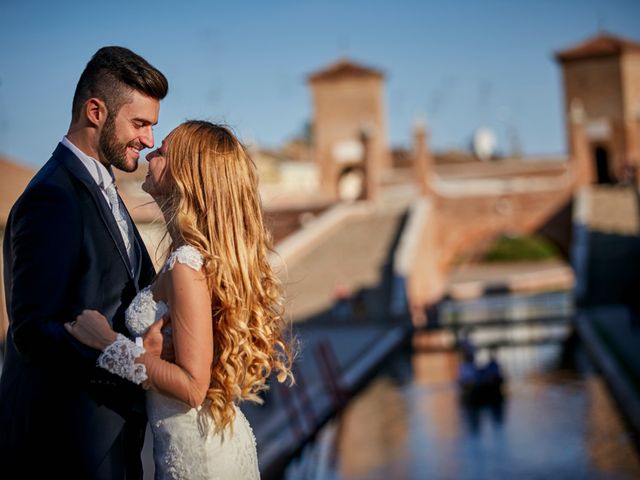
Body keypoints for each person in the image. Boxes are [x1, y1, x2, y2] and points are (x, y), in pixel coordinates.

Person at [65, 120, 295, 479]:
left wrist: (108, 344)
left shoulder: (186, 263)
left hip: (199, 457)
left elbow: (192, 386)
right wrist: (145, 349)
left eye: (163, 151)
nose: (150, 150)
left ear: (186, 174)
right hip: (200, 443)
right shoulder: (188, 258)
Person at [0, 46, 168, 478]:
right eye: (140, 123)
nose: (148, 139)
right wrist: (124, 356)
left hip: (112, 444)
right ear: (96, 111)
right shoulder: (51, 197)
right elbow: (33, 332)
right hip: (68, 449)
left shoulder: (106, 190)